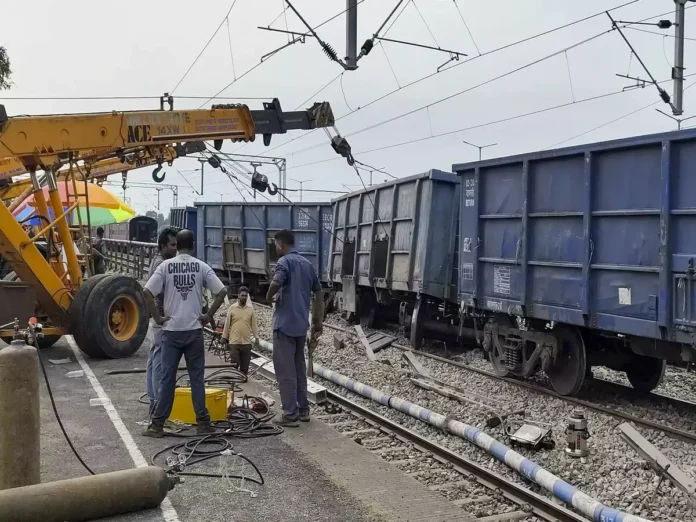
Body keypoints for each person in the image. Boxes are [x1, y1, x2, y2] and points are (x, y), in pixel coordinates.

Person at [142, 229, 227, 438]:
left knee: (167, 379)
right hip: (194, 332)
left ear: (177, 246)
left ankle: (158, 425)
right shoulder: (201, 267)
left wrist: (158, 318)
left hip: (171, 332)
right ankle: (203, 424)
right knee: (197, 378)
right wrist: (208, 315)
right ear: (193, 245)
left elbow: (146, 292)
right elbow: (222, 291)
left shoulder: (165, 266)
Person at [266, 229, 323, 427]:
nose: (275, 248)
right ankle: (303, 410)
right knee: (299, 369)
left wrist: (268, 296)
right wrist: (317, 321)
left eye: (275, 245)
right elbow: (319, 293)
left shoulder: (284, 262)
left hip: (284, 326)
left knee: (285, 372)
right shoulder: (307, 264)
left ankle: (290, 415)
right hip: (300, 326)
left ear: (281, 245)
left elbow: (276, 282)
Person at [145, 227, 178, 419]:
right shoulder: (161, 265)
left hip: (157, 318)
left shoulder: (158, 261)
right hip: (161, 319)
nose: (175, 249)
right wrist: (160, 317)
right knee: (159, 362)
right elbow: (155, 293)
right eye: (172, 245)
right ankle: (157, 402)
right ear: (163, 245)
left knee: (153, 359)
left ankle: (153, 399)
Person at [221, 286, 259, 376]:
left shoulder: (250, 309)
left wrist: (256, 337)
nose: (244, 297)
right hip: (234, 341)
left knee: (245, 367)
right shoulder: (232, 308)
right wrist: (224, 337)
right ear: (238, 296)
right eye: (242, 295)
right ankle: (235, 382)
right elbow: (227, 324)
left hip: (246, 342)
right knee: (234, 363)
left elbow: (254, 324)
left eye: (246, 296)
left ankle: (243, 384)